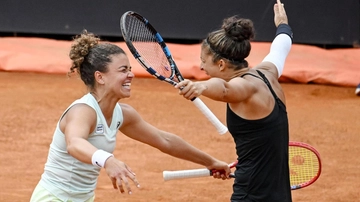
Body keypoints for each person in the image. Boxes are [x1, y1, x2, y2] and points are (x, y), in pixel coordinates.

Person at [29, 30, 231, 202]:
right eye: (123, 70)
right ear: (100, 77)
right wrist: (108, 160)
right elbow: (74, 143)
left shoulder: (122, 114)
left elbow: (164, 140)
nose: (131, 75)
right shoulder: (83, 111)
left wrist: (211, 162)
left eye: (130, 69)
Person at [175, 0, 293, 201]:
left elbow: (224, 89)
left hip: (252, 195)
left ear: (221, 64)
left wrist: (201, 86)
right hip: (279, 194)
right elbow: (281, 46)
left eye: (203, 61)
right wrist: (282, 25)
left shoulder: (245, 88)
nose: (201, 67)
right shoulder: (268, 73)